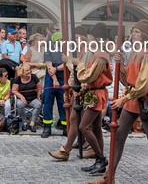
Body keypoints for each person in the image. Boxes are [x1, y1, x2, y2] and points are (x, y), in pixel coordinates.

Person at [94, 19, 148, 184]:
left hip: (144, 101)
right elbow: (129, 80)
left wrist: (123, 99)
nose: (132, 34)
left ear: (144, 34)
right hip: (134, 100)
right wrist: (120, 64)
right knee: (119, 136)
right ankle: (109, 177)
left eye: (136, 31)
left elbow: (143, 85)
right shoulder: (135, 53)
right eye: (133, 31)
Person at [49, 26, 93, 161]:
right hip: (77, 90)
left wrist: (70, 60)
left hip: (84, 91)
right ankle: (90, 148)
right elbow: (73, 73)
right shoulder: (78, 53)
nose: (76, 41)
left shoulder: (87, 53)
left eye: (78, 38)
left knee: (85, 123)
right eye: (75, 38)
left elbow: (86, 72)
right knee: (76, 121)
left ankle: (71, 150)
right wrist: (67, 89)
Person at [75, 22, 113, 176]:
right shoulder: (99, 54)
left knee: (84, 127)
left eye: (89, 36)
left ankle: (101, 158)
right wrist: (84, 89)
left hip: (97, 93)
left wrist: (79, 66)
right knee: (96, 126)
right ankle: (99, 160)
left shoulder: (101, 55)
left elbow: (90, 75)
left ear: (94, 37)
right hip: (94, 92)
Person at [42, 31, 67, 138]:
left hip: (63, 78)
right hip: (50, 79)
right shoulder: (48, 50)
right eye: (61, 39)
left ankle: (65, 126)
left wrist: (56, 68)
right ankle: (47, 127)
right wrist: (55, 80)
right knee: (48, 103)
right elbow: (49, 66)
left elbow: (67, 64)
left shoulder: (67, 51)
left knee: (64, 103)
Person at [12, 63, 42, 132]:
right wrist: (21, 96)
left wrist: (38, 97)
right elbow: (14, 90)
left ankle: (32, 123)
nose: (29, 72)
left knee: (38, 104)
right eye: (27, 71)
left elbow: (39, 87)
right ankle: (24, 122)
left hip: (33, 98)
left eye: (29, 70)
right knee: (19, 104)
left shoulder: (34, 77)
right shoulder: (18, 79)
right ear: (22, 72)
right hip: (22, 99)